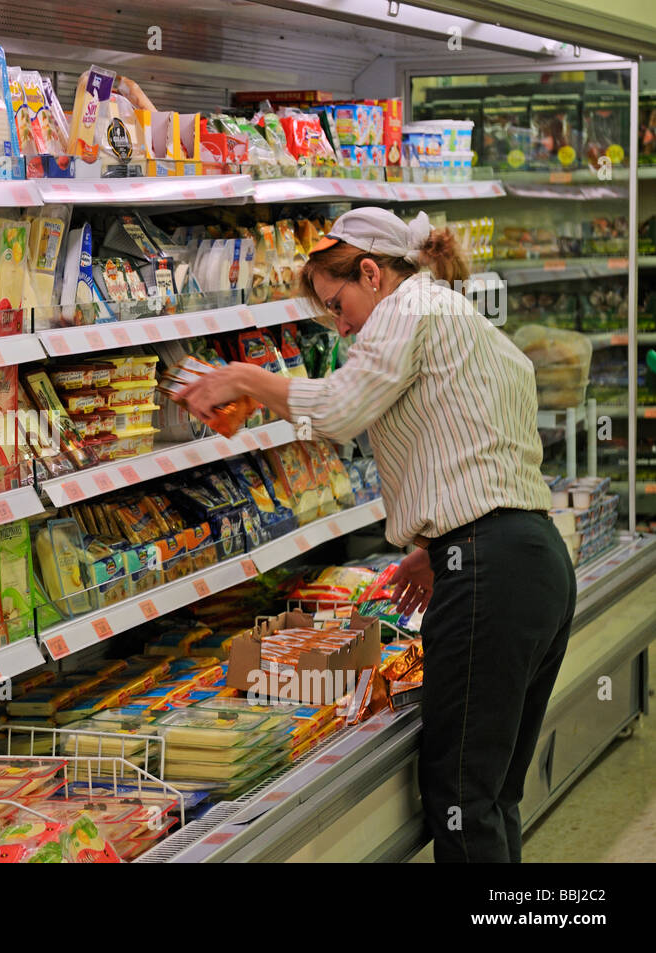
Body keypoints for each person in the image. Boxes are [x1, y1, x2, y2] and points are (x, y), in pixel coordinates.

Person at [180, 207, 575, 863]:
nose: (343, 325)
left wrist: (246, 378)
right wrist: (440, 544)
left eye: (339, 304)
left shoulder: (406, 307)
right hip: (531, 558)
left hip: (489, 570)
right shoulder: (457, 315)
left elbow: (338, 410)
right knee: (491, 796)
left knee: (458, 799)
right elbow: (478, 444)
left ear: (372, 271)